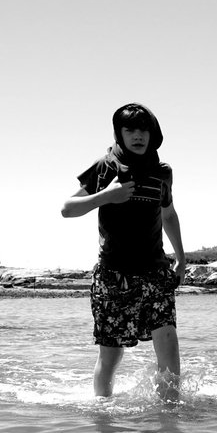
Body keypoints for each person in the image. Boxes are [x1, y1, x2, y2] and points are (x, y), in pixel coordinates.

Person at [61, 104, 186, 402]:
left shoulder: (162, 172)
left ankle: (170, 413)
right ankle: (104, 414)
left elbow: (168, 214)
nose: (137, 136)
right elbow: (67, 208)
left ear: (153, 134)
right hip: (113, 274)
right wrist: (107, 196)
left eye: (143, 130)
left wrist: (181, 255)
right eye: (129, 130)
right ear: (119, 134)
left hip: (156, 270)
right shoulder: (105, 167)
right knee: (111, 355)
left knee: (167, 339)